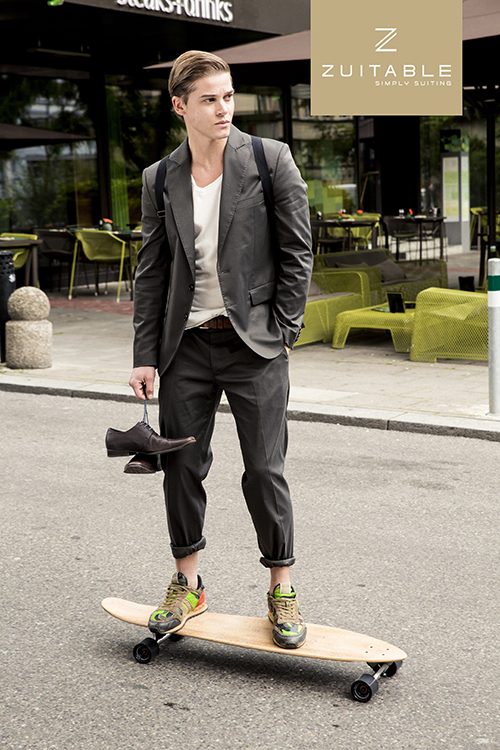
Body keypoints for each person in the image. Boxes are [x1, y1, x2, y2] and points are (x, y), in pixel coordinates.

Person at [129, 50, 313, 649]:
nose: (223, 108)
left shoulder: (268, 159)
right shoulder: (160, 178)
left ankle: (282, 589)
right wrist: (145, 354)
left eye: (228, 96)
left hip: (255, 344)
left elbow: (297, 252)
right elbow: (152, 271)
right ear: (180, 106)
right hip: (186, 346)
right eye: (209, 99)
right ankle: (188, 584)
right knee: (181, 465)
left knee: (264, 469)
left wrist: (283, 330)